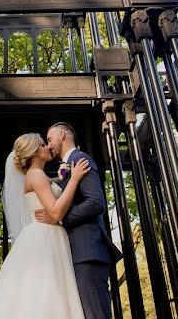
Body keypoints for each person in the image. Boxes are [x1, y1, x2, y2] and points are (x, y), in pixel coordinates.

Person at [0, 133, 91, 318]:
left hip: (46, 236)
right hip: (46, 238)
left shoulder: (38, 175)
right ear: (34, 152)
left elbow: (57, 182)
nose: (48, 147)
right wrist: (74, 180)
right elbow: (56, 212)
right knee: (48, 291)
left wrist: (67, 170)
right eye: (43, 144)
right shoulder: (36, 174)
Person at [35, 122, 122, 319]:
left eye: (50, 139)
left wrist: (60, 218)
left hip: (88, 253)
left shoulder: (80, 159)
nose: (49, 146)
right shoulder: (66, 167)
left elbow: (96, 203)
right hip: (76, 254)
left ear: (62, 135)